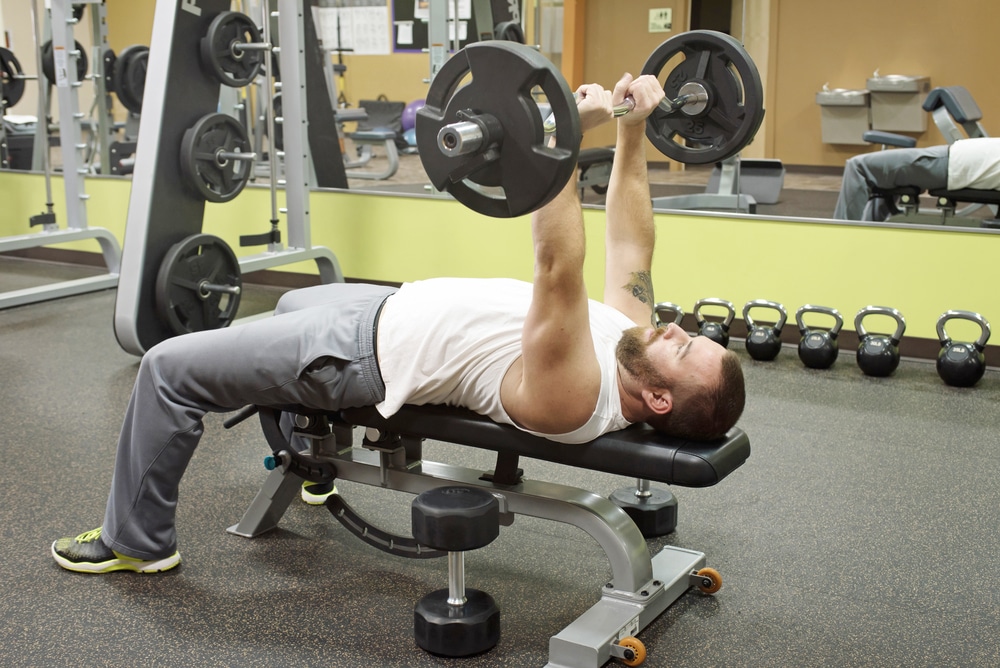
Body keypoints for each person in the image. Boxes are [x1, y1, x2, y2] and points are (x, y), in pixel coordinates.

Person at [51, 73, 746, 574]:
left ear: (659, 400)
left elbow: (557, 262)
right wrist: (630, 130)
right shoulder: (632, 345)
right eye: (692, 335)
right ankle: (314, 460)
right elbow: (630, 244)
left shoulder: (576, 394)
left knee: (167, 368)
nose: (676, 329)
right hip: (379, 309)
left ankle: (136, 543)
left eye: (686, 349)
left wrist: (559, 134)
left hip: (356, 355)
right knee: (292, 303)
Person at [833, 137, 1000, 220]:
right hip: (953, 157)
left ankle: (841, 236)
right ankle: (871, 227)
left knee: (858, 166)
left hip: (948, 162)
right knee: (876, 171)